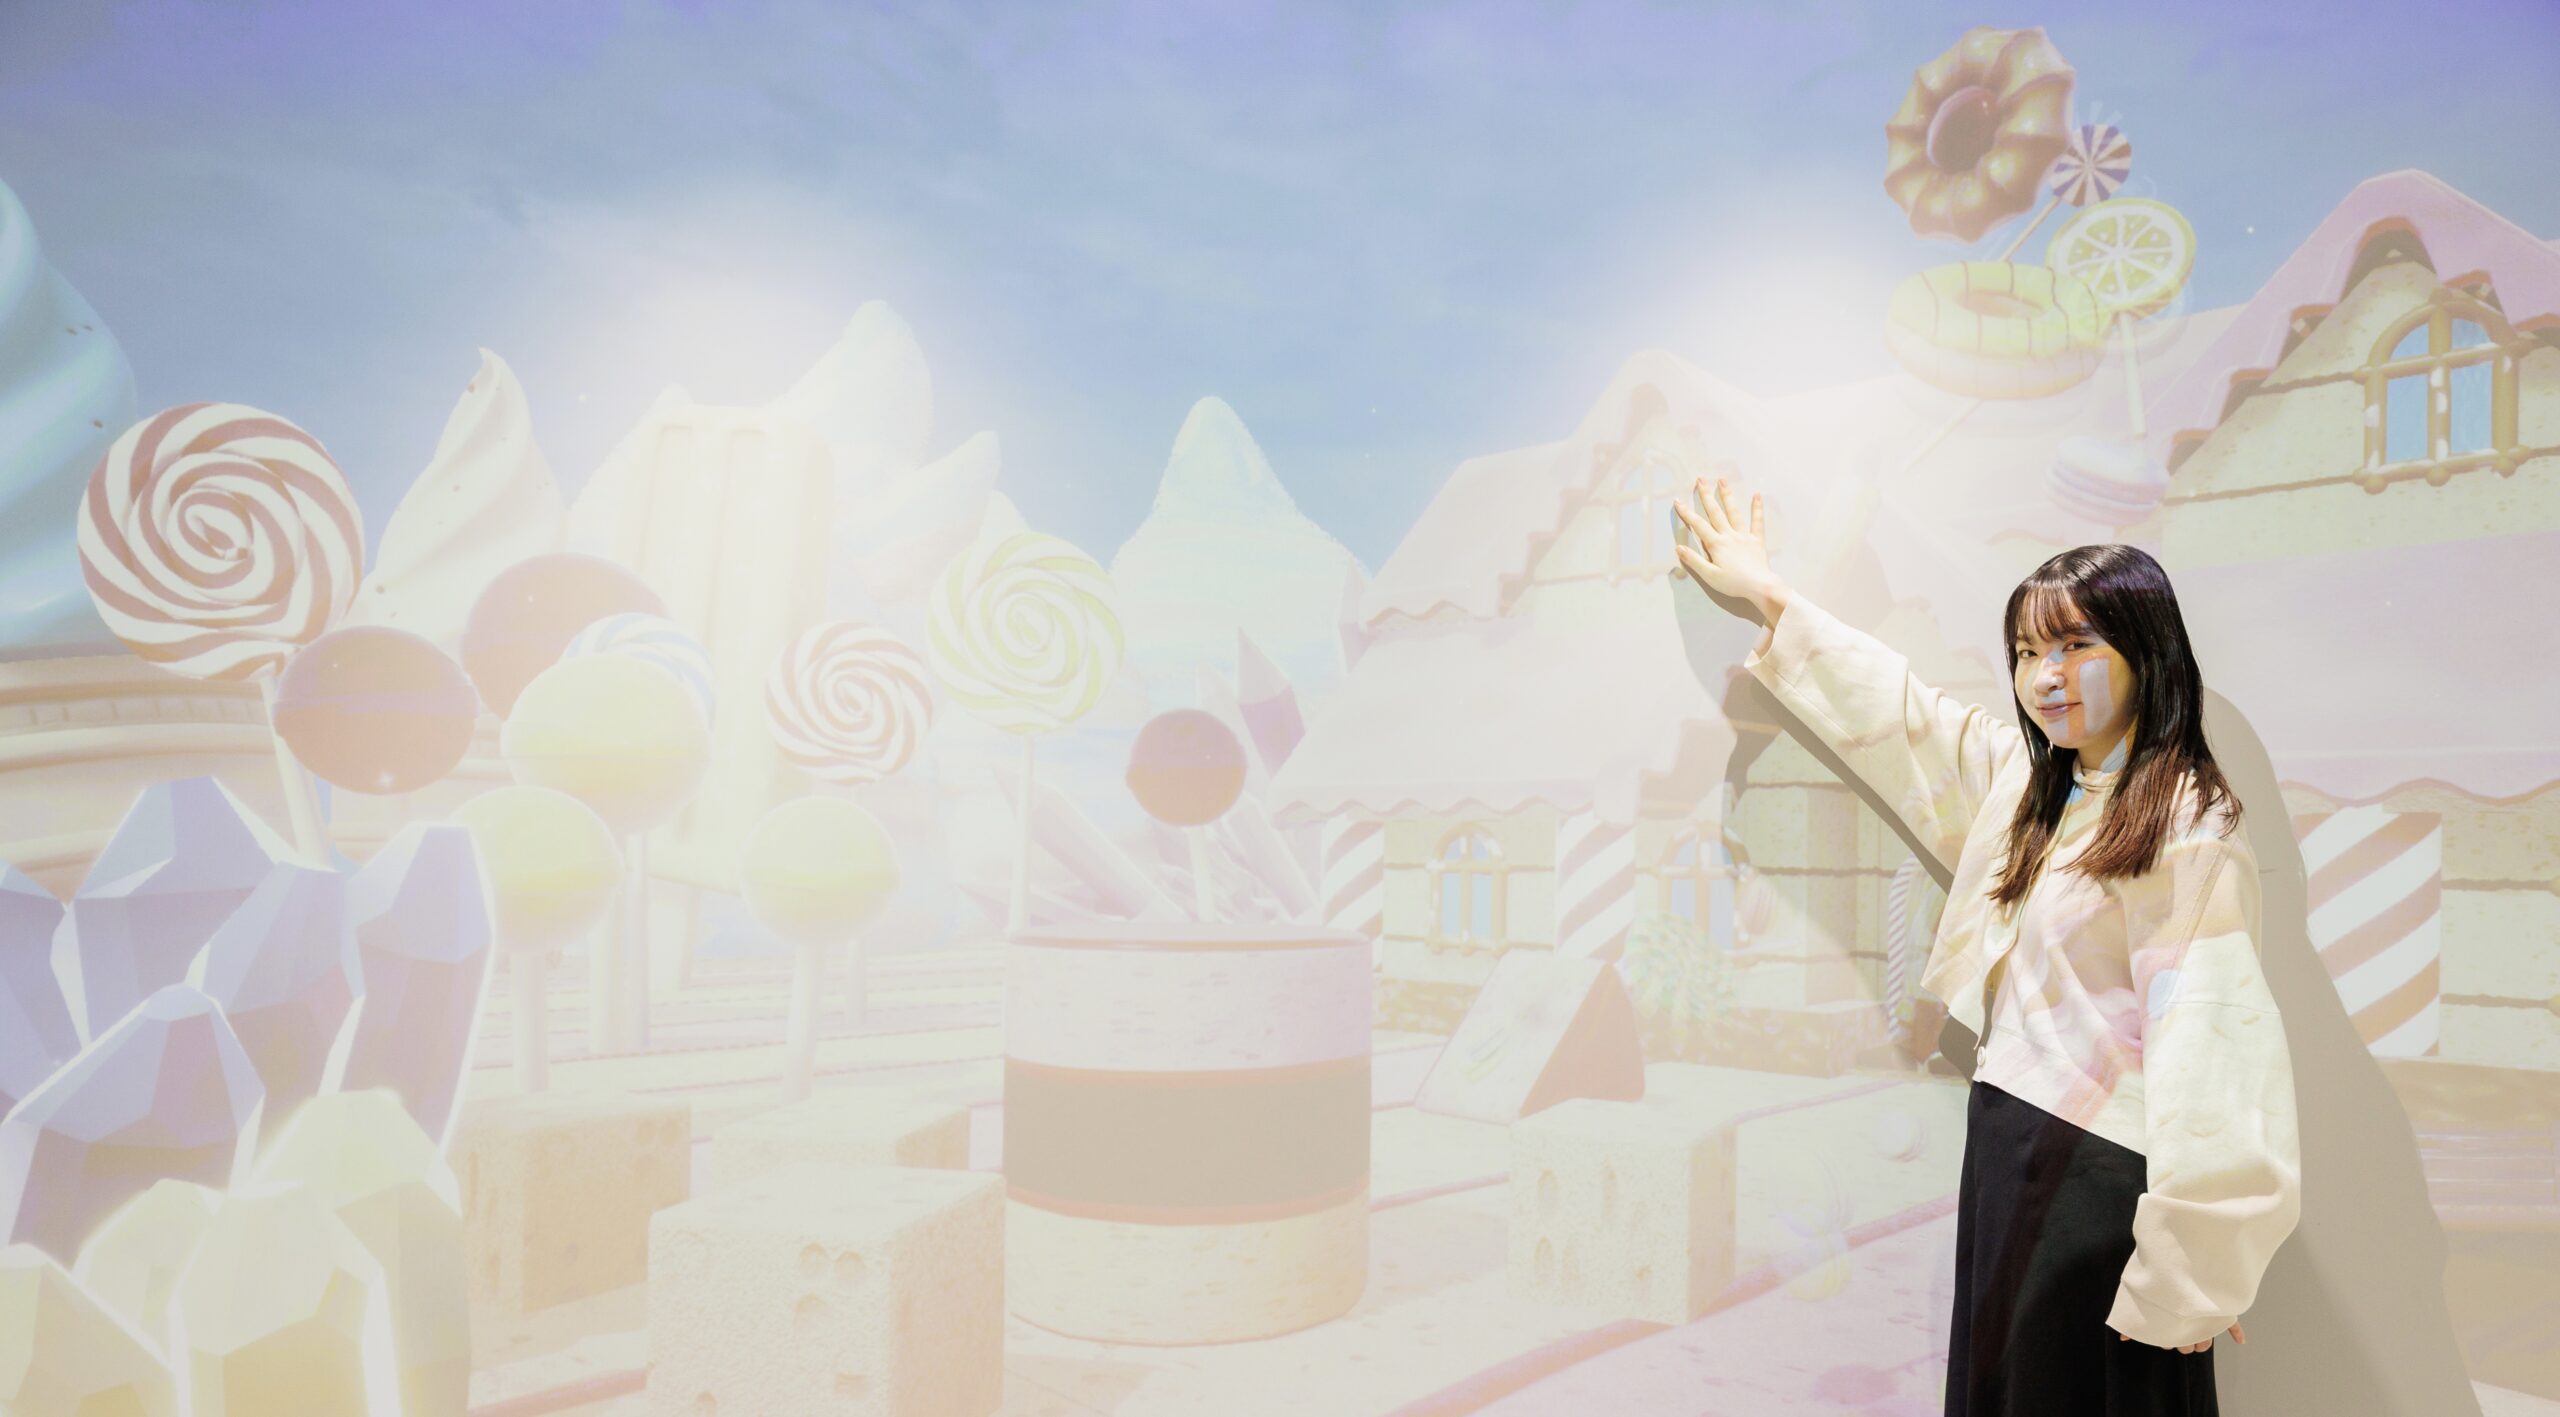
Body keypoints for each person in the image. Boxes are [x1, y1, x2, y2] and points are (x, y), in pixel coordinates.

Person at [1672, 476, 2302, 1416]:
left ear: (2146, 652)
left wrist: (2196, 1266)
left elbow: (2216, 1041)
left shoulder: (2185, 824)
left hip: (2097, 1169)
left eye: (2076, 645)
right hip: (2008, 1133)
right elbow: (1907, 717)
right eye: (2027, 651)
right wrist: (1769, 594)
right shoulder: (2030, 786)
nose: (2045, 674)